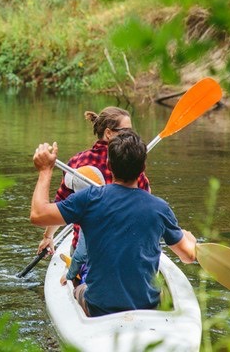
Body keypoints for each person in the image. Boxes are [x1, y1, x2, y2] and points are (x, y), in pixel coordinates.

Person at [29, 131, 197, 317]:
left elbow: (38, 215)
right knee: (162, 291)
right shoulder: (160, 208)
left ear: (109, 165)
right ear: (143, 167)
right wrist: (190, 240)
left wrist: (45, 171)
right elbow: (188, 256)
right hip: (146, 306)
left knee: (80, 289)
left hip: (98, 307)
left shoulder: (89, 200)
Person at [37, 106, 150, 256]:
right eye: (126, 132)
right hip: (125, 250)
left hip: (83, 250)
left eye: (131, 132)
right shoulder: (132, 165)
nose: (131, 137)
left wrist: (48, 236)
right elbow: (146, 208)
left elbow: (61, 205)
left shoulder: (77, 162)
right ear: (108, 133)